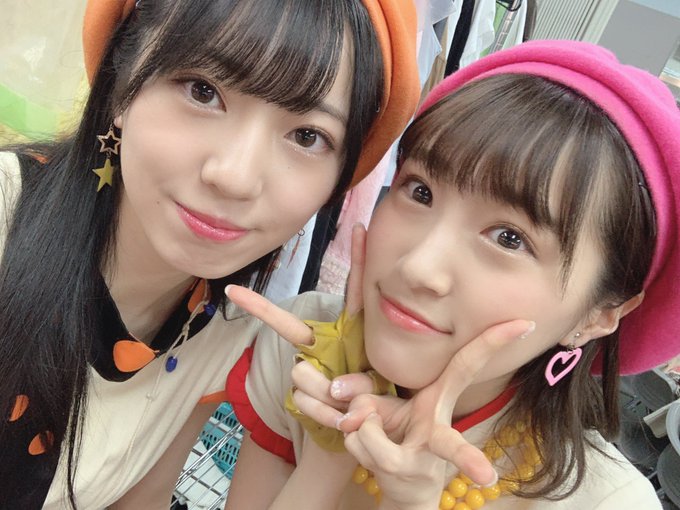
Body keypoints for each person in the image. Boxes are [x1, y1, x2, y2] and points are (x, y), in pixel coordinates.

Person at [224, 39, 680, 509]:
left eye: (509, 238)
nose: (418, 267)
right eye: (420, 191)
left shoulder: (607, 502)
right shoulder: (304, 348)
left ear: (599, 314)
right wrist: (331, 447)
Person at [0, 0, 420, 508]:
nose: (235, 177)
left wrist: (336, 445)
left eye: (307, 136)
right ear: (120, 80)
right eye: (203, 91)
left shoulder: (222, 335)